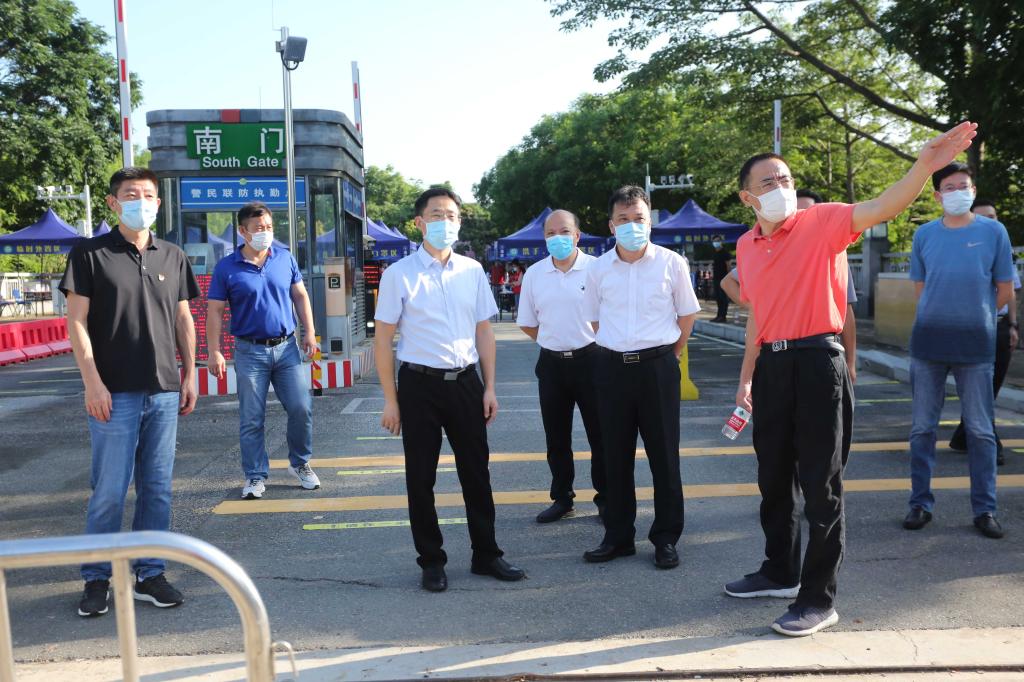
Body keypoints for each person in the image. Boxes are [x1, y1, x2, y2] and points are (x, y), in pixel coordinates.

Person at [727, 122, 979, 637]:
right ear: (746, 197)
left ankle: (818, 599)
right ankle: (779, 570)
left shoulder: (822, 221)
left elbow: (883, 205)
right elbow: (758, 315)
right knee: (773, 477)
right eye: (768, 183)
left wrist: (924, 165)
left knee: (821, 484)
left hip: (818, 361)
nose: (781, 188)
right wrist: (747, 375)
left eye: (785, 179)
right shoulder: (747, 245)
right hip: (772, 365)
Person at [60, 167, 200, 617]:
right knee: (109, 490)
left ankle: (150, 573)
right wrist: (92, 382)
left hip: (163, 389)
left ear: (159, 203)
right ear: (113, 202)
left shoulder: (172, 255)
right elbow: (76, 322)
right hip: (112, 392)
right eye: (130, 194)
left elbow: (183, 317)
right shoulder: (89, 254)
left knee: (157, 489)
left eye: (148, 195)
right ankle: (96, 577)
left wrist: (190, 373)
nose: (141, 202)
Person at [374, 187, 526, 592]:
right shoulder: (398, 274)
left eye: (452, 216)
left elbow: (484, 331)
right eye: (437, 215)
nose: (446, 222)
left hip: (466, 383)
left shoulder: (472, 271)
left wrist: (490, 387)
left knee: (476, 473)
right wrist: (390, 400)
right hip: (418, 385)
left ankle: (486, 554)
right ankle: (431, 560)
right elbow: (383, 340)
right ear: (420, 222)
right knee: (421, 477)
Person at [581, 185, 700, 570]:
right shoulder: (597, 268)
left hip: (657, 367)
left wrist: (670, 356)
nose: (632, 225)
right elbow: (595, 319)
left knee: (664, 456)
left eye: (639, 218)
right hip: (612, 368)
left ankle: (666, 538)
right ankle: (618, 536)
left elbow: (686, 315)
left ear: (650, 222)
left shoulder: (671, 263)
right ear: (611, 225)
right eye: (624, 219)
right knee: (614, 456)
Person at [903, 163, 1013, 540]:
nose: (957, 192)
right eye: (949, 187)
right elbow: (921, 289)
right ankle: (920, 503)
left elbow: (1005, 289)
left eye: (963, 185)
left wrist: (976, 315)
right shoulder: (924, 234)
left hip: (976, 345)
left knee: (981, 431)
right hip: (928, 344)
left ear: (973, 190)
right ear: (937, 196)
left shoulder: (994, 232)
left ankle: (985, 509)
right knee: (922, 428)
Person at [207, 201, 320, 500]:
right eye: (258, 228)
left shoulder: (284, 258)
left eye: (269, 227)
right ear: (243, 231)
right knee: (252, 417)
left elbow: (300, 295)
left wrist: (309, 332)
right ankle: (255, 475)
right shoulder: (227, 267)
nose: (265, 232)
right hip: (249, 351)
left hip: (286, 348)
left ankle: (300, 463)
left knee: (301, 407)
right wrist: (214, 351)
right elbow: (215, 310)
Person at [517, 209, 606, 523]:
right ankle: (562, 498)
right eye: (551, 233)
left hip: (593, 361)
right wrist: (554, 339)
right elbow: (527, 322)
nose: (558, 238)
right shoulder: (535, 274)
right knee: (556, 438)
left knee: (601, 436)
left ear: (577, 235)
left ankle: (606, 499)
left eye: (565, 231)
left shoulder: (598, 269)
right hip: (552, 364)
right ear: (544, 238)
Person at [721, 189, 858, 382]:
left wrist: (850, 361)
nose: (803, 217)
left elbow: (846, 310)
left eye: (809, 212)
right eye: (797, 211)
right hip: (776, 359)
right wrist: (758, 307)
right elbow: (728, 282)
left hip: (818, 357)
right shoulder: (768, 253)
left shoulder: (832, 254)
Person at [947, 197, 1020, 464]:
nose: (989, 222)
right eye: (982, 218)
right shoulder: (956, 252)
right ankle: (990, 444)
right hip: (968, 328)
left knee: (992, 385)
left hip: (998, 327)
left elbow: (1011, 292)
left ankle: (963, 434)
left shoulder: (1003, 250)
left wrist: (1012, 325)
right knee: (979, 388)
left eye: (993, 217)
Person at [710, 236, 731, 323]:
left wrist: (728, 278)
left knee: (723, 297)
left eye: (717, 241)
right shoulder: (715, 253)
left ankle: (723, 316)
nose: (716, 243)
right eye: (714, 241)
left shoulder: (725, 253)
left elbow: (728, 265)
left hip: (723, 278)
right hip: (716, 278)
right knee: (718, 297)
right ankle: (719, 315)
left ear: (721, 242)